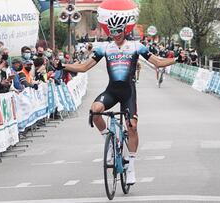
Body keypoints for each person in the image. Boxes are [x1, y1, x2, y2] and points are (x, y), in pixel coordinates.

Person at [60, 6, 176, 185]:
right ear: (110, 31)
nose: (116, 34)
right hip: (112, 91)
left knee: (132, 127)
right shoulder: (105, 48)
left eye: (119, 30)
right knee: (95, 110)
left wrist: (177, 59)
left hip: (128, 92)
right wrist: (63, 67)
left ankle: (132, 167)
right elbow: (83, 67)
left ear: (125, 30)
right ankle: (109, 140)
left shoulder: (136, 46)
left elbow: (158, 63)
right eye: (113, 31)